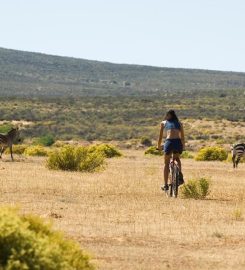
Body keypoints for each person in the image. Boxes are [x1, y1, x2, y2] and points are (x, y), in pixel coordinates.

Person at [157, 110, 185, 191]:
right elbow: (182, 136)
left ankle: (165, 185)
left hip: (169, 142)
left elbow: (160, 136)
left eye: (167, 115)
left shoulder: (164, 123)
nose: (166, 116)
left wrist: (158, 146)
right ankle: (179, 175)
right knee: (177, 159)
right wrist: (183, 146)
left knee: (166, 163)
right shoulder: (179, 123)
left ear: (169, 115)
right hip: (178, 142)